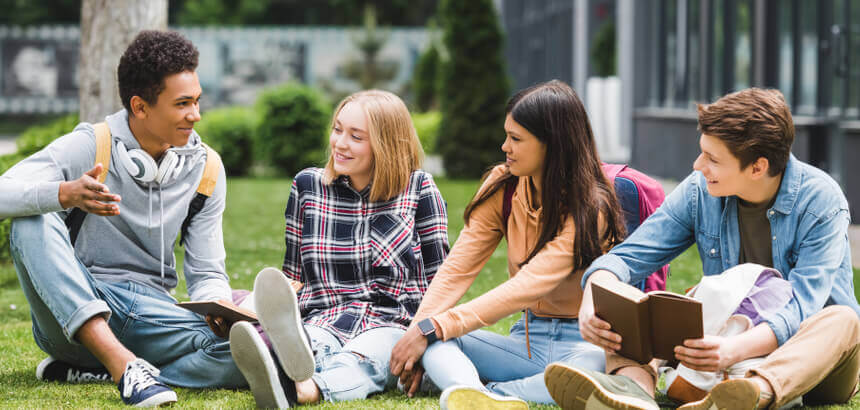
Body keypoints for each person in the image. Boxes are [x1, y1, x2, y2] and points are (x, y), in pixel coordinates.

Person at [545, 88, 860, 410]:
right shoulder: (700, 191)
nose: (698, 166)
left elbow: (802, 307)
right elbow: (628, 257)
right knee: (639, 305)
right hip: (721, 342)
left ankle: (754, 392)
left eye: (712, 159)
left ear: (757, 167)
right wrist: (593, 299)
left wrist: (733, 350)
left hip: (812, 357)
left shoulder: (821, 201)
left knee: (843, 319)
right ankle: (631, 390)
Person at [0, 30, 244, 407]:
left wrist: (219, 307)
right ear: (140, 106)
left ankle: (116, 368)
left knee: (248, 349)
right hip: (72, 317)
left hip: (152, 318)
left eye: (197, 101)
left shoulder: (207, 168)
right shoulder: (90, 145)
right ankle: (122, 366)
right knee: (31, 218)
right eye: (182, 104)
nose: (195, 115)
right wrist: (61, 194)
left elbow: (208, 271)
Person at [389, 80, 628, 408]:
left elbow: (528, 285)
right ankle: (472, 394)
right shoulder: (503, 187)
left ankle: (494, 396)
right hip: (527, 341)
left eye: (516, 139)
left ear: (552, 144)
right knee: (436, 343)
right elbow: (457, 269)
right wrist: (420, 331)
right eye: (507, 136)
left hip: (584, 345)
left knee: (592, 371)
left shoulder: (592, 207)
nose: (505, 147)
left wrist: (438, 325)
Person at [228, 89, 449, 408]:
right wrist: (249, 307)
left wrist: (423, 342)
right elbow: (293, 277)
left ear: (386, 144)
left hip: (392, 322)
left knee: (362, 359)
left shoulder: (419, 189)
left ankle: (304, 389)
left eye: (356, 136)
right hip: (324, 315)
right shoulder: (307, 187)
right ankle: (290, 361)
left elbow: (440, 281)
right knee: (312, 346)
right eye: (337, 129)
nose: (340, 143)